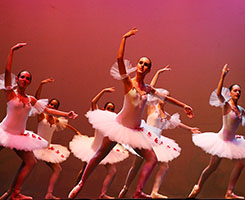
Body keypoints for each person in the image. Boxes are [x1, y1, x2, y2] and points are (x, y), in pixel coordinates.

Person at [68, 28, 193, 199]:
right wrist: (124, 38)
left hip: (135, 131)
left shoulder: (148, 89)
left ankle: (138, 192)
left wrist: (184, 105)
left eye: (146, 64)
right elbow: (119, 59)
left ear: (149, 70)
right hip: (119, 126)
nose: (142, 65)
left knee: (152, 159)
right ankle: (81, 184)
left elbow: (166, 98)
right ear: (137, 65)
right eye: (141, 62)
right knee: (99, 156)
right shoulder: (128, 82)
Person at [188, 64, 245, 199]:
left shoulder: (240, 109)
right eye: (235, 90)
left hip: (233, 141)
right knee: (212, 167)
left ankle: (229, 192)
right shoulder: (226, 105)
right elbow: (218, 94)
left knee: (240, 164)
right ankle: (198, 186)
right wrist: (222, 76)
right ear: (230, 92)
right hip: (221, 140)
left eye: (239, 91)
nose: (238, 93)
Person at [0, 43, 77, 200]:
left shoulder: (30, 99)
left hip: (19, 136)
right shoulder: (11, 94)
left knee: (31, 161)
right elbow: (7, 71)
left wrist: (66, 114)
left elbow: (47, 110)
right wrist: (12, 51)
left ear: (29, 82)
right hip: (4, 132)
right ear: (18, 79)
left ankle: (15, 193)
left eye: (28, 78)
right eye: (22, 77)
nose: (25, 79)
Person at [118, 66, 200, 199]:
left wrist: (190, 129)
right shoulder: (152, 107)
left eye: (166, 97)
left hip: (157, 140)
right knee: (136, 165)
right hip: (145, 137)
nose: (164, 98)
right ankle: (126, 187)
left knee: (164, 165)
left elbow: (177, 124)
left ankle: (154, 192)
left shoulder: (166, 114)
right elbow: (148, 87)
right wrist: (158, 73)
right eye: (164, 96)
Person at [69, 87, 129, 199]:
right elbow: (93, 102)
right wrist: (103, 91)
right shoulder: (98, 116)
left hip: (104, 149)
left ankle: (103, 194)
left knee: (113, 171)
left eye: (112, 109)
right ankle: (74, 190)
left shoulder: (113, 121)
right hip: (93, 148)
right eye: (108, 108)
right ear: (103, 108)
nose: (109, 110)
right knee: (83, 172)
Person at [31, 78, 81, 199]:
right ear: (47, 105)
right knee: (28, 164)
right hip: (36, 146)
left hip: (47, 148)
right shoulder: (41, 115)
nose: (52, 106)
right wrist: (41, 84)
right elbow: (36, 101)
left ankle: (49, 194)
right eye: (50, 104)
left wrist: (77, 132)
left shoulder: (55, 120)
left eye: (54, 106)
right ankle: (14, 190)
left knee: (57, 169)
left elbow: (66, 125)